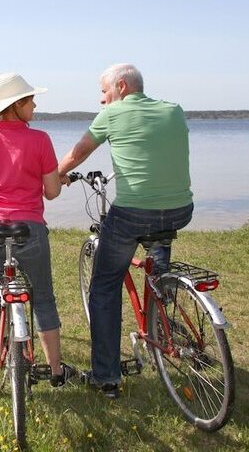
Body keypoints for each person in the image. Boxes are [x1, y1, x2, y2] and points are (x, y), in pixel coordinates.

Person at [58, 63, 193, 398]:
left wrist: (56, 174)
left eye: (104, 92)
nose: (103, 99)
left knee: (103, 288)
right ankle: (163, 321)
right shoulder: (174, 111)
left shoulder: (112, 115)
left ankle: (106, 376)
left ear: (120, 86)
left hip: (133, 214)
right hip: (180, 210)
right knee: (157, 272)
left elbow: (77, 154)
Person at [0, 72, 69, 390]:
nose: (34, 105)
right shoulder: (41, 140)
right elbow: (52, 192)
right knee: (43, 298)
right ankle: (56, 370)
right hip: (30, 229)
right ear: (16, 104)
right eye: (30, 100)